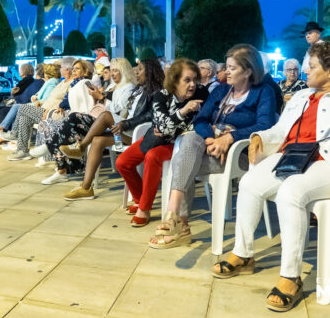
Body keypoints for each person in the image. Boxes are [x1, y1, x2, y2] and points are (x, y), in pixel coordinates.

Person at [211, 42, 330, 312]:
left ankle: (291, 276)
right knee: (250, 183)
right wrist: (258, 137)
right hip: (292, 156)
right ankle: (243, 254)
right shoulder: (302, 96)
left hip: (324, 161)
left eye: (312, 67)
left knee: (291, 192)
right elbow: (279, 130)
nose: (305, 71)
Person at [148, 44, 277, 248]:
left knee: (181, 161)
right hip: (211, 149)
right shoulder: (221, 91)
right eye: (226, 67)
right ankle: (174, 216)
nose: (226, 72)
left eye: (232, 68)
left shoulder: (263, 92)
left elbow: (265, 126)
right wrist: (210, 139)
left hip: (239, 155)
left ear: (248, 71)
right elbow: (201, 119)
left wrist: (230, 138)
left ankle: (180, 225)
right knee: (191, 139)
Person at [115, 59, 209, 226]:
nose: (193, 84)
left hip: (180, 143)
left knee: (152, 157)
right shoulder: (161, 96)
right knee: (122, 162)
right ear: (175, 80)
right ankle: (139, 199)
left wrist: (169, 125)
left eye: (195, 79)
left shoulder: (201, 93)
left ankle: (144, 208)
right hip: (155, 139)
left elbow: (197, 122)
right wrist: (183, 111)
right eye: (187, 80)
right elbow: (162, 127)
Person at [61, 59, 165, 200]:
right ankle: (86, 188)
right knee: (97, 140)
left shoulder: (156, 92)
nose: (136, 72)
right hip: (128, 129)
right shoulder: (139, 89)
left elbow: (149, 116)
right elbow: (126, 110)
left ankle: (81, 147)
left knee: (105, 116)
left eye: (140, 69)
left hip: (137, 133)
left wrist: (125, 123)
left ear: (150, 72)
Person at [31, 58, 136, 184]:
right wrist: (98, 98)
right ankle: (61, 168)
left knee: (72, 119)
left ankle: (52, 149)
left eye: (115, 71)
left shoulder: (128, 87)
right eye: (111, 70)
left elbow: (119, 110)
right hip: (99, 118)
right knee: (68, 128)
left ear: (123, 71)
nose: (112, 74)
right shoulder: (114, 86)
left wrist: (101, 97)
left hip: (113, 123)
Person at [8, 59, 93, 161]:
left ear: (67, 69)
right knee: (24, 118)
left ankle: (14, 134)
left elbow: (65, 102)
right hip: (45, 109)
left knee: (22, 108)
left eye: (61, 67)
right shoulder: (64, 82)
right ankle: (22, 151)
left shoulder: (73, 84)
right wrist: (41, 102)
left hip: (53, 112)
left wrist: (48, 110)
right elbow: (51, 98)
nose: (60, 69)